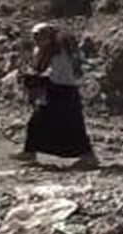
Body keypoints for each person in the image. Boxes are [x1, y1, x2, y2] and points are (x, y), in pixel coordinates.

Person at [15, 23, 97, 169]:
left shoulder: (56, 49)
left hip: (64, 91)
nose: (37, 39)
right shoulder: (47, 50)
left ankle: (88, 156)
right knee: (38, 121)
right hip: (56, 89)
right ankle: (30, 151)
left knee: (72, 126)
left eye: (40, 36)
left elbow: (42, 69)